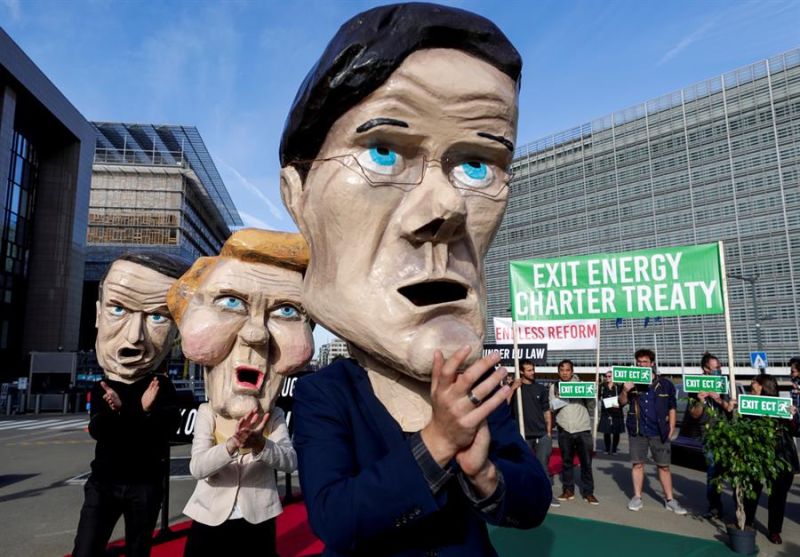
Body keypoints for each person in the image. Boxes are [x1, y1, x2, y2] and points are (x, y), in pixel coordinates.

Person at [279, 4, 551, 556]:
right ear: (297, 196)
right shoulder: (323, 394)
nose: (448, 207)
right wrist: (438, 442)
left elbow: (531, 501)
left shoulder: (472, 385)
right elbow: (334, 518)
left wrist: (486, 475)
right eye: (384, 152)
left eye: (477, 165)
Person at [167, 229, 313, 556]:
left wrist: (261, 443)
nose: (256, 334)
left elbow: (289, 461)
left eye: (287, 310)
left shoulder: (272, 416)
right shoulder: (208, 413)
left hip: (258, 517)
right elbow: (198, 467)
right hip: (210, 517)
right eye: (231, 301)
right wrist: (233, 444)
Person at [72, 253, 188, 557]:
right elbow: (100, 429)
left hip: (145, 487)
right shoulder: (104, 386)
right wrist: (142, 412)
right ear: (98, 314)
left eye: (157, 316)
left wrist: (125, 412)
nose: (135, 337)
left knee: (140, 550)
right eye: (119, 308)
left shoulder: (162, 387)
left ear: (175, 329)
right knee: (86, 549)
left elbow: (165, 430)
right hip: (104, 484)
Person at [619, 348, 686, 515]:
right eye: (639, 362)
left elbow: (672, 407)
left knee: (663, 466)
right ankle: (637, 497)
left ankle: (670, 499)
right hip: (638, 430)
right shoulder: (630, 382)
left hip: (659, 431)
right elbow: (621, 403)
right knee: (638, 464)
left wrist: (670, 427)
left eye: (645, 362)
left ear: (652, 364)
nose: (641, 365)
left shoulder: (665, 384)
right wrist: (625, 390)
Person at [743, 373, 799, 545]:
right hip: (757, 455)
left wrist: (792, 418)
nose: (751, 383)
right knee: (751, 492)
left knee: (778, 496)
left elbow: (796, 431)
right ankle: (747, 522)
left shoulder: (782, 405)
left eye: (755, 381)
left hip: (781, 456)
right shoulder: (748, 403)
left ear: (762, 386)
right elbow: (742, 429)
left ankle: (774, 530)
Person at [683, 352, 735, 520]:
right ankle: (714, 506)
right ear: (706, 369)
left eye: (720, 367)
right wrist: (701, 400)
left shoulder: (724, 383)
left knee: (733, 472)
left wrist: (719, 399)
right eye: (715, 368)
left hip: (728, 434)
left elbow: (730, 409)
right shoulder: (695, 386)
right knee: (713, 472)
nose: (719, 370)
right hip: (709, 435)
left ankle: (739, 508)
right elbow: (694, 414)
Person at [509, 360, 558, 507]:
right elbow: (503, 405)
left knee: (542, 466)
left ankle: (547, 495)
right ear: (522, 372)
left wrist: (549, 432)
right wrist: (512, 389)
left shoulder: (541, 389)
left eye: (533, 369)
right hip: (522, 434)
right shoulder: (515, 388)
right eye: (529, 370)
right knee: (522, 466)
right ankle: (523, 496)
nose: (532, 372)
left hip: (541, 434)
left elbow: (546, 411)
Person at [549, 359, 598, 505]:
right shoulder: (555, 386)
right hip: (564, 429)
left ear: (572, 371)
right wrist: (565, 396)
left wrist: (591, 395)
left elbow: (591, 406)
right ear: (559, 372)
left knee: (586, 463)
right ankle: (568, 490)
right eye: (562, 370)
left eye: (567, 370)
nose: (564, 373)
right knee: (566, 462)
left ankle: (588, 493)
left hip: (582, 428)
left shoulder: (582, 385)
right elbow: (552, 406)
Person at [598, 370, 624, 455]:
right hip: (606, 412)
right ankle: (607, 448)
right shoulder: (602, 386)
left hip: (616, 412)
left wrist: (619, 405)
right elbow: (598, 397)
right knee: (606, 432)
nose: (607, 378)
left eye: (609, 376)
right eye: (606, 376)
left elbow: (623, 399)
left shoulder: (618, 387)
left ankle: (614, 449)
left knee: (616, 432)